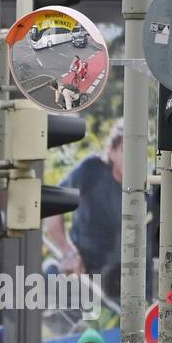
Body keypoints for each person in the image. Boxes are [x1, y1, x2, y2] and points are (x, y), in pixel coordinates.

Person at [44, 119, 123, 300]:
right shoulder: (92, 170)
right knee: (48, 274)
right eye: (127, 151)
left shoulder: (149, 187)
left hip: (121, 288)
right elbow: (53, 205)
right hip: (81, 275)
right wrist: (67, 251)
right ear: (111, 152)